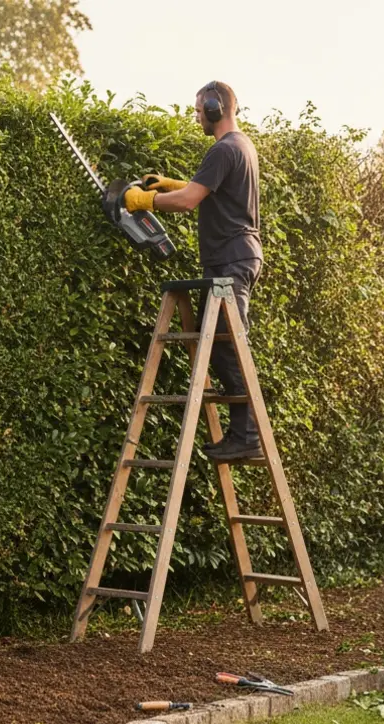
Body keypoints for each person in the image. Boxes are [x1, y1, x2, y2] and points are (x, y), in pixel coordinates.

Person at [121, 80, 264, 462]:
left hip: (232, 259)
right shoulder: (240, 145)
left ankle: (247, 434)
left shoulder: (223, 149)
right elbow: (204, 191)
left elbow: (188, 203)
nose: (197, 115)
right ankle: (242, 432)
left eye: (200, 109)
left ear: (216, 109)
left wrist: (143, 199)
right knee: (216, 343)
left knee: (228, 344)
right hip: (231, 258)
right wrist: (169, 184)